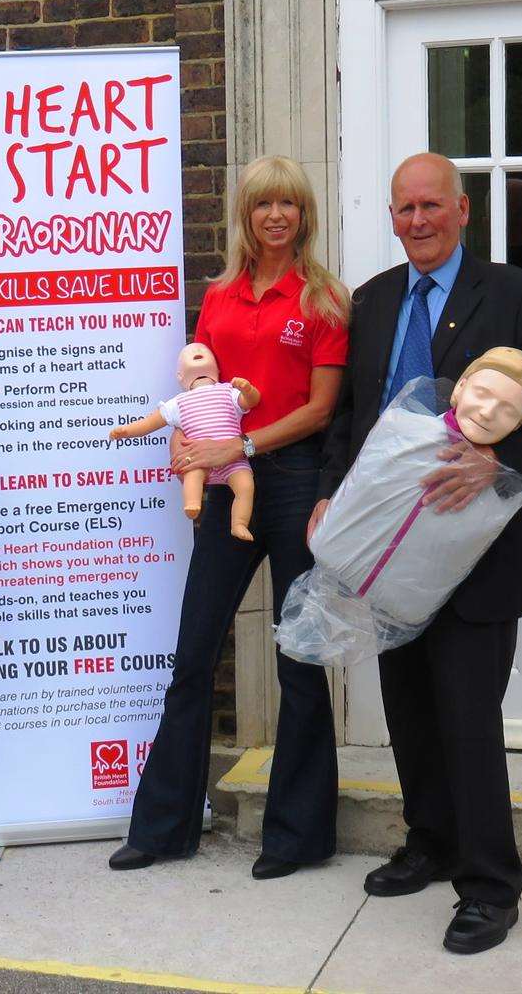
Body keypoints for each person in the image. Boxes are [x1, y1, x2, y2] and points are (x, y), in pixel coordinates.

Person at [310, 153, 522, 955]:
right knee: (411, 714)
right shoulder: (372, 300)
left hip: (478, 544)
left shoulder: (515, 295)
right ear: (391, 218)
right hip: (388, 548)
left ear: (461, 211)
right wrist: (328, 493)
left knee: (466, 719)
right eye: (404, 210)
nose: (417, 221)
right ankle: (428, 842)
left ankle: (489, 887)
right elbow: (351, 413)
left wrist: (500, 462)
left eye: (431, 206)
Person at [109, 155, 349, 879]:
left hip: (293, 482)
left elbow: (319, 409)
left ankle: (297, 838)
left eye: (288, 203)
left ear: (303, 215)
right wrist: (188, 439)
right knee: (192, 655)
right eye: (261, 204)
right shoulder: (216, 298)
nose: (275, 215)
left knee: (298, 659)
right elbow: (198, 391)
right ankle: (161, 828)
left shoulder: (325, 300)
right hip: (224, 487)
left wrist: (239, 441)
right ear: (244, 216)